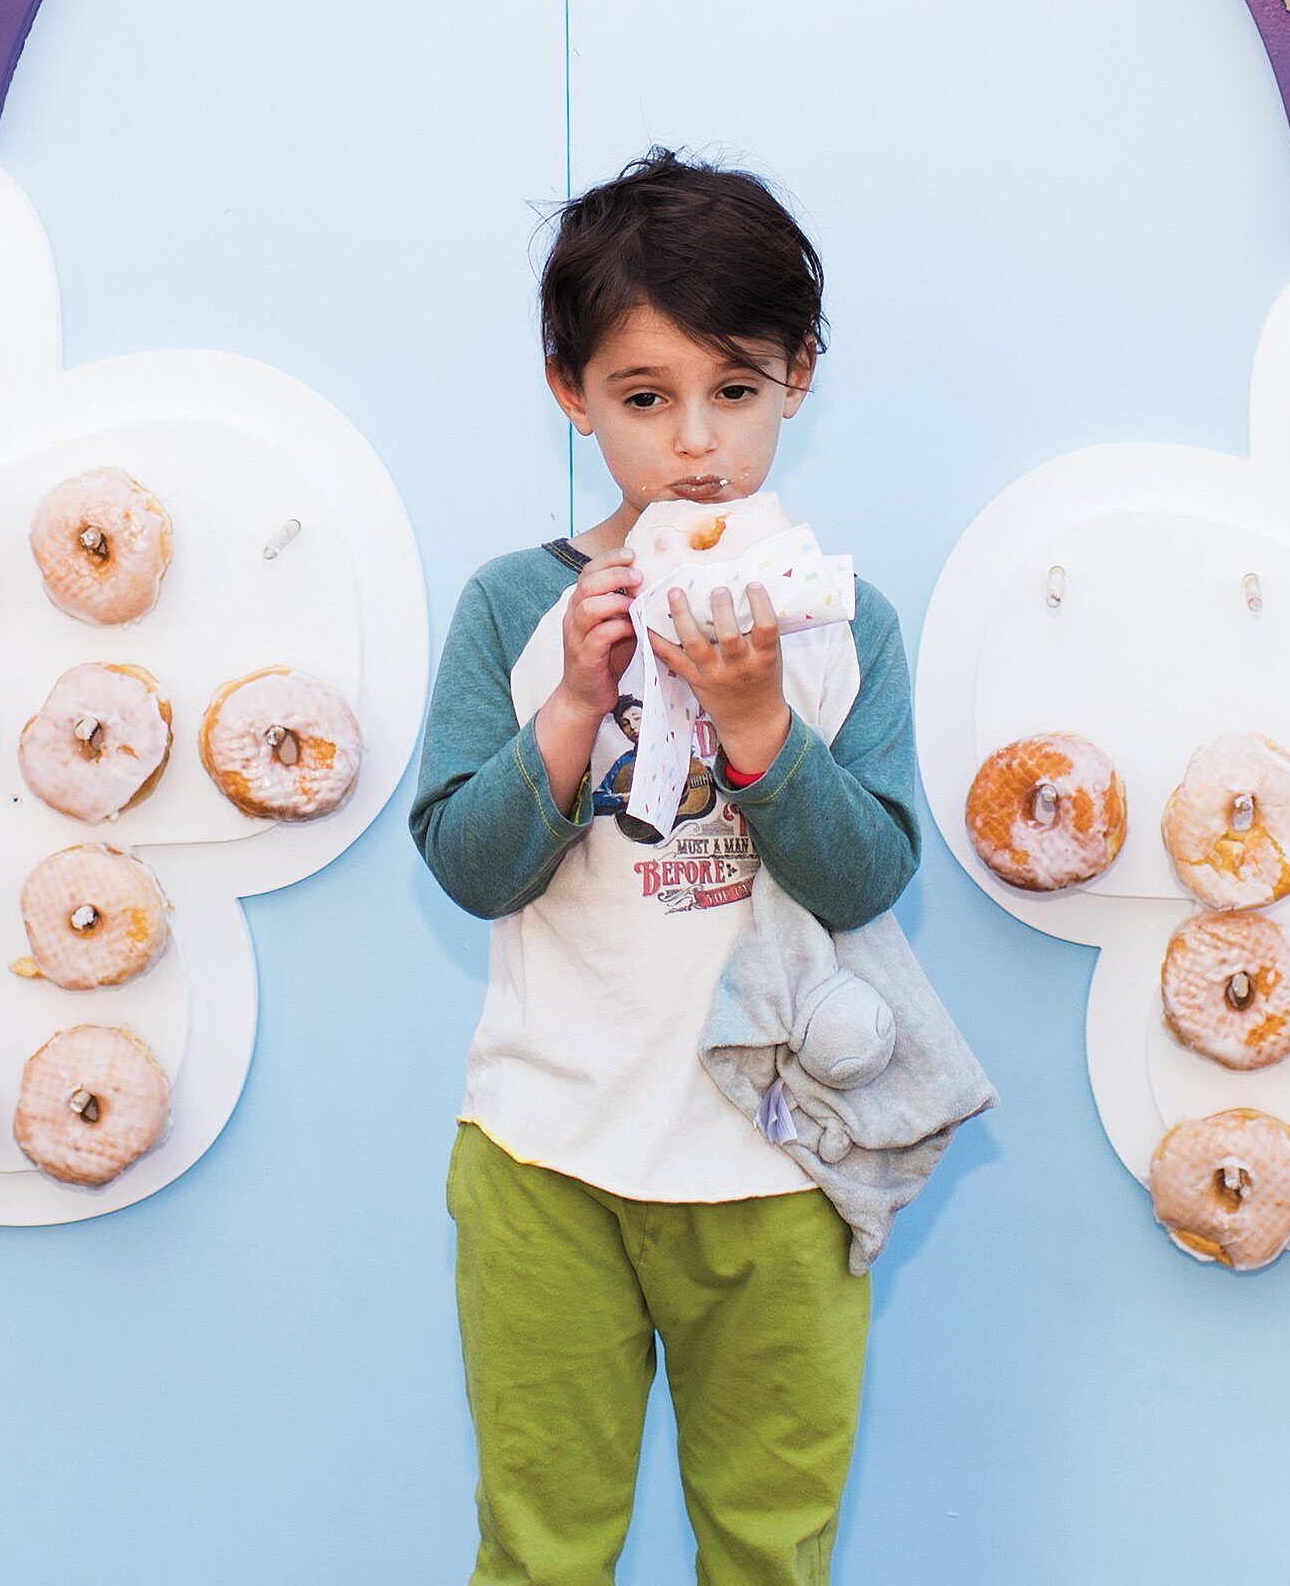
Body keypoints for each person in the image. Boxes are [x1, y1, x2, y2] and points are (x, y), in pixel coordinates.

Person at [412, 149, 922, 1586]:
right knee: (541, 1545)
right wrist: (572, 702)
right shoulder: (518, 604)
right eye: (645, 399)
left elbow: (867, 877)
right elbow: (468, 866)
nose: (695, 446)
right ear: (571, 392)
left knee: (771, 1546)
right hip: (543, 1157)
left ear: (799, 378)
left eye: (736, 391)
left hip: (780, 1168)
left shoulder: (843, 618)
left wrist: (758, 719)